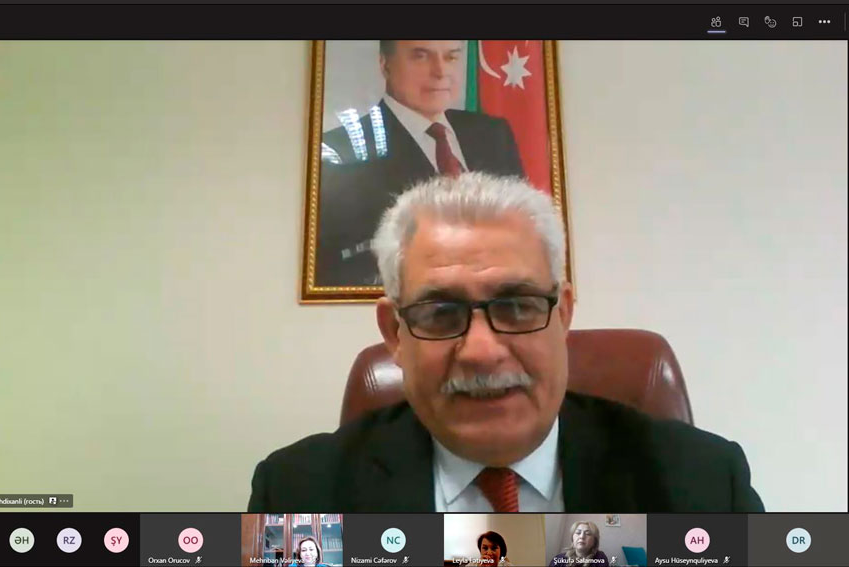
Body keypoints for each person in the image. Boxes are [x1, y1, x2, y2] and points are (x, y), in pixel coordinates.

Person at [248, 172, 765, 513]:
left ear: (563, 314)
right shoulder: (296, 494)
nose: (481, 351)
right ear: (395, 334)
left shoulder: (704, 485)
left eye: (516, 306)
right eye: (440, 313)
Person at [315, 40, 524, 287]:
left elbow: (521, 234)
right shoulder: (340, 151)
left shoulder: (493, 133)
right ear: (385, 64)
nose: (440, 72)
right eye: (421, 56)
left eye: (451, 57)